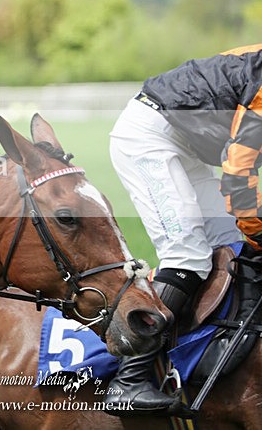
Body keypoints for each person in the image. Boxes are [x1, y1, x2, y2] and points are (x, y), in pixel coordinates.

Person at [105, 43, 262, 415]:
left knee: (230, 246)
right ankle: (129, 380)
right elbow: (239, 177)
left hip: (185, 139)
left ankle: (222, 341)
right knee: (188, 254)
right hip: (148, 136)